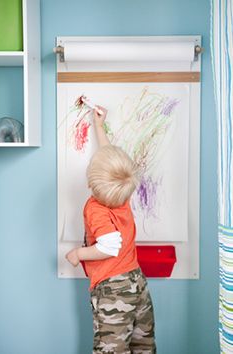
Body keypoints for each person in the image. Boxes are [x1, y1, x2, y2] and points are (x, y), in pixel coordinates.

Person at [66, 106, 156, 354]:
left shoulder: (96, 208)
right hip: (137, 283)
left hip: (113, 290)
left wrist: (78, 254)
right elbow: (110, 161)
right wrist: (98, 126)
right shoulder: (122, 193)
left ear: (91, 184)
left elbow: (109, 246)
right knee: (143, 346)